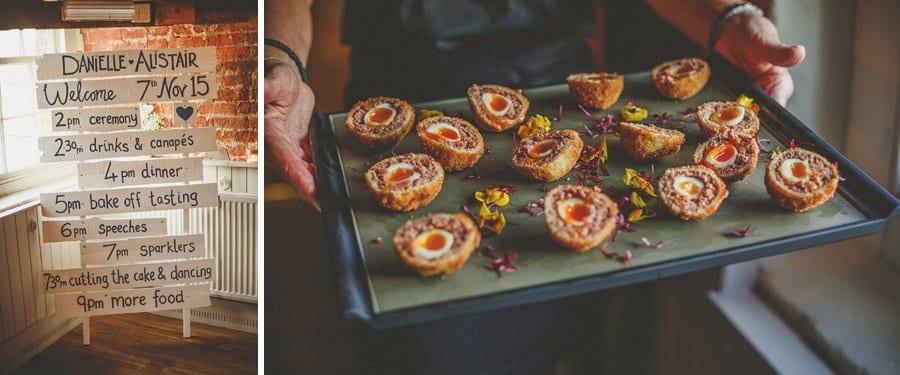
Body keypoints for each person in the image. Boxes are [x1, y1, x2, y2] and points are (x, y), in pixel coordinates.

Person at [264, 1, 805, 373]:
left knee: (566, 312)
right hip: (401, 80)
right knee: (429, 345)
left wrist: (729, 16)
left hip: (554, 89)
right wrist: (276, 58)